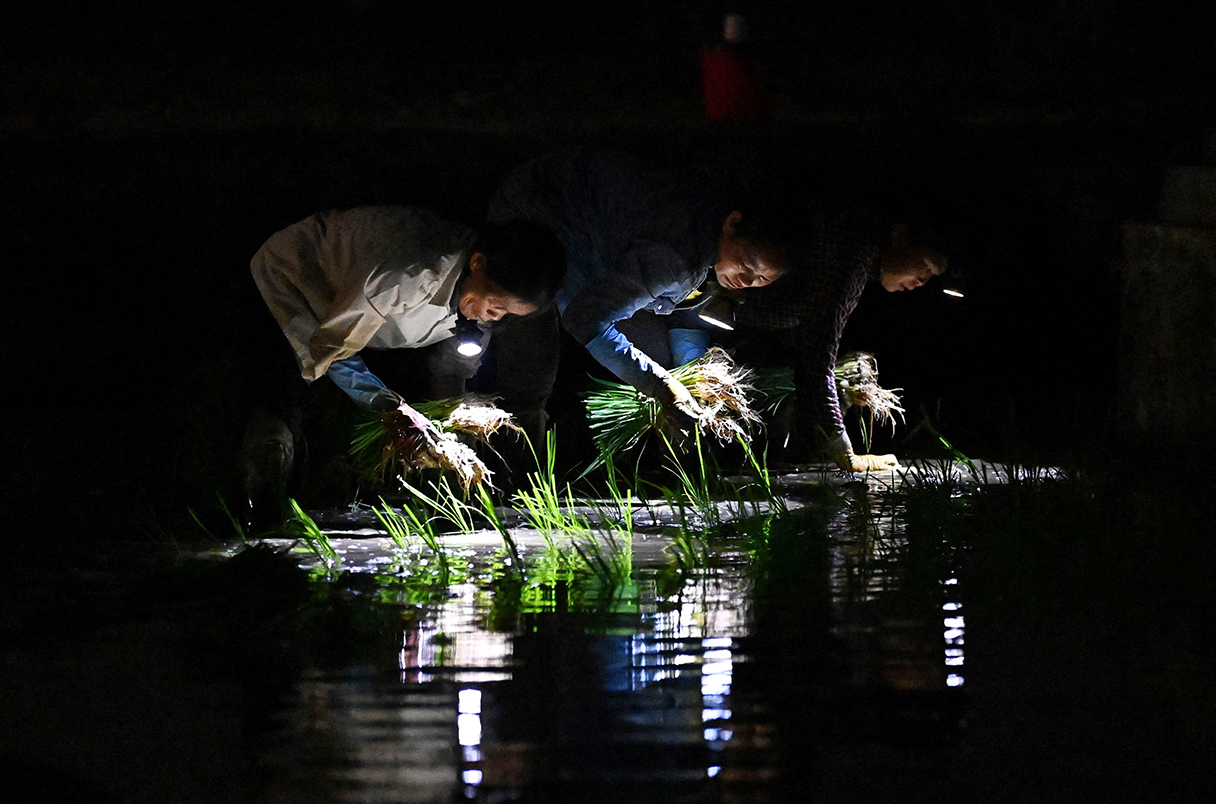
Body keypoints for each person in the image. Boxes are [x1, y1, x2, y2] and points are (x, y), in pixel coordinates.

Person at [240, 206, 564, 524]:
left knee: (328, 409)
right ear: (478, 263)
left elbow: (449, 367)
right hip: (290, 284)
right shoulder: (408, 272)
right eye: (495, 305)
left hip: (357, 320)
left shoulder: (472, 295)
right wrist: (390, 408)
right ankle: (259, 520)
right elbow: (330, 346)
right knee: (282, 401)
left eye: (506, 313)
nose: (495, 317)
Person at [484, 147, 803, 449]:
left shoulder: (717, 247)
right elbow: (585, 317)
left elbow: (686, 313)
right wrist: (662, 388)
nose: (747, 281)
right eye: (748, 267)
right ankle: (515, 479)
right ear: (732, 225)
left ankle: (678, 455)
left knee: (658, 358)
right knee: (533, 353)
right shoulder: (675, 256)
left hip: (600, 230)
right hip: (539, 210)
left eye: (763, 279)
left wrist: (692, 376)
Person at [732, 199, 949, 472]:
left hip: (738, 319)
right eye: (926, 267)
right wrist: (845, 453)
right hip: (713, 304)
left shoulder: (860, 258)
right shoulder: (853, 251)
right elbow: (816, 353)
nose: (922, 281)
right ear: (901, 237)